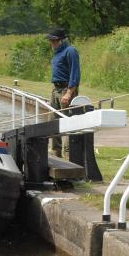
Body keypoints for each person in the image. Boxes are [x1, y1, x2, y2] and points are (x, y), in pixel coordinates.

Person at [46, 26, 80, 158]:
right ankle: (56, 152)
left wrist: (69, 93)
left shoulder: (70, 51)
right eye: (51, 41)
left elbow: (75, 73)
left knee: (68, 121)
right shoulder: (57, 52)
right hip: (55, 89)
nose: (52, 43)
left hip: (66, 89)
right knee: (53, 121)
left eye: (54, 41)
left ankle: (68, 154)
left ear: (61, 40)